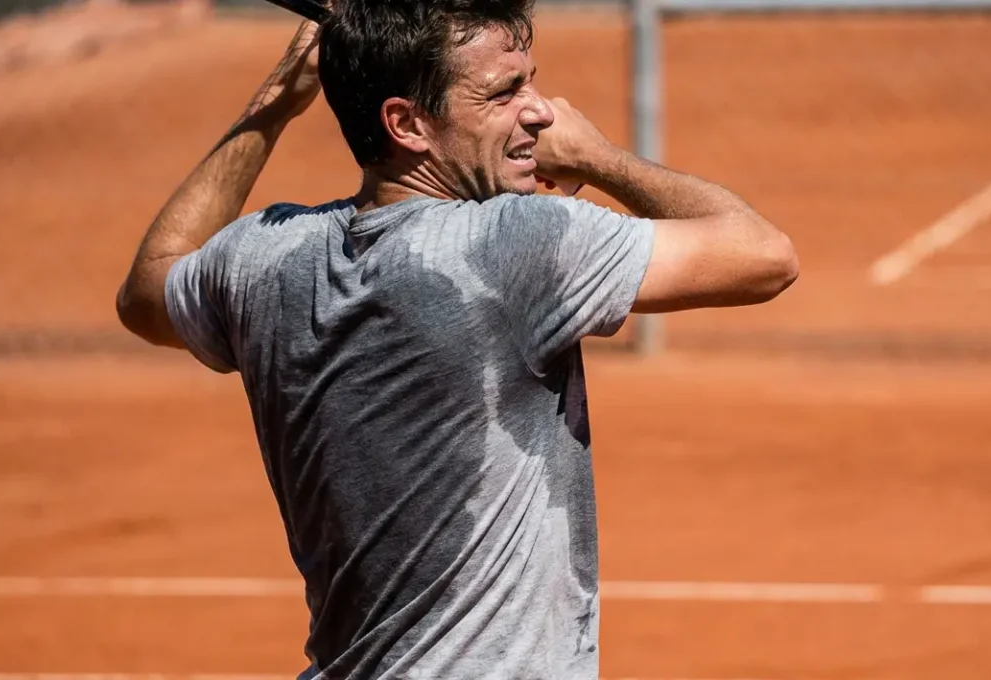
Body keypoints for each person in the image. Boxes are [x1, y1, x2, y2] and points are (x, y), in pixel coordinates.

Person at [115, 0, 797, 677]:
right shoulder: (514, 244)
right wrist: (598, 156)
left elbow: (146, 292)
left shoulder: (261, 262)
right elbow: (764, 256)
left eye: (530, 82)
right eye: (503, 93)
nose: (540, 111)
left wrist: (274, 104)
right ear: (407, 124)